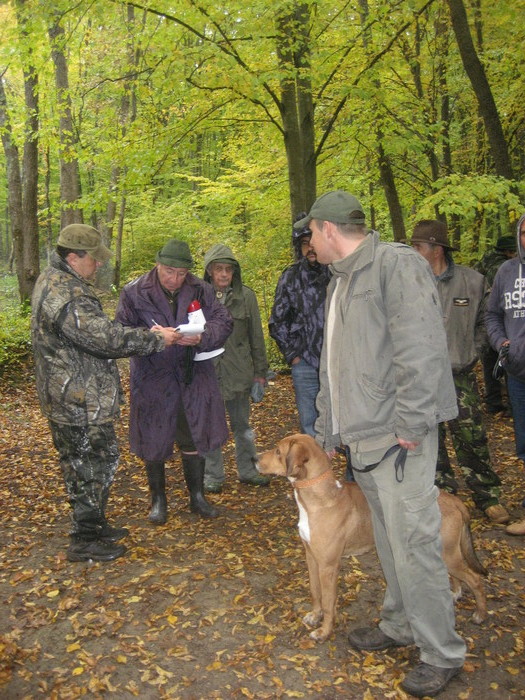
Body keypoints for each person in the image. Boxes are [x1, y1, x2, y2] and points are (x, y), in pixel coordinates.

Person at [297, 190, 466, 698]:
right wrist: (327, 431)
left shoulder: (395, 265)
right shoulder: (341, 283)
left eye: (310, 232)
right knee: (391, 541)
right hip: (364, 442)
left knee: (415, 544)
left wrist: (411, 427)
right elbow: (334, 367)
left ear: (328, 229)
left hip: (399, 443)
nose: (308, 242)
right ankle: (398, 624)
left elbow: (421, 349)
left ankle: (442, 652)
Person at [31, 224, 178, 563]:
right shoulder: (67, 294)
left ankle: (94, 525)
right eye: (93, 259)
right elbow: (104, 339)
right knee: (89, 465)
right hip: (77, 401)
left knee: (93, 462)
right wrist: (157, 339)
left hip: (74, 396)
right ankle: (84, 539)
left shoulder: (58, 281)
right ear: (72, 257)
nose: (98, 265)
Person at [115, 239, 233, 523]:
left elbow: (223, 320)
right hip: (153, 378)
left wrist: (203, 337)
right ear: (157, 264)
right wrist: (154, 338)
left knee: (193, 435)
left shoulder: (201, 289)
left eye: (181, 273)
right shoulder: (133, 292)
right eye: (169, 271)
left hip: (193, 376)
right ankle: (158, 501)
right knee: (153, 440)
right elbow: (120, 332)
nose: (175, 279)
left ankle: (197, 497)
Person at [411, 220, 509, 525]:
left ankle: (487, 496)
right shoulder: (408, 282)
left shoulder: (473, 281)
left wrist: (475, 348)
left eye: (417, 247)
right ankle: (442, 494)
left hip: (460, 375)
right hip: (422, 378)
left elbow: (489, 318)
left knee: (471, 436)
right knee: (431, 439)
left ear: (436, 249)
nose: (413, 252)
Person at [202, 244, 270, 492]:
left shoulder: (246, 297)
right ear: (209, 271)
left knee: (242, 426)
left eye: (228, 270)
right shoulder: (198, 298)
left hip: (239, 373)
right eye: (218, 269)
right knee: (210, 426)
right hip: (208, 373)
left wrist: (260, 374)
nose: (223, 274)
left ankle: (249, 470)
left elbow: (256, 338)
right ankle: (213, 476)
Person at [268, 214, 331, 436]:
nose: (310, 248)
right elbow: (277, 321)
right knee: (309, 423)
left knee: (345, 422)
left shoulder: (338, 273)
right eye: (305, 244)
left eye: (313, 241)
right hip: (304, 363)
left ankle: (353, 471)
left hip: (338, 361)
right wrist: (293, 354)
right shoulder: (291, 276)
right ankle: (315, 470)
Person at [486, 213, 525, 536]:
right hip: (517, 373)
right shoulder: (506, 272)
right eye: (523, 233)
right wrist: (501, 342)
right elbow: (492, 314)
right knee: (524, 445)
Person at [474, 235, 516, 414]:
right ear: (508, 251)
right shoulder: (505, 268)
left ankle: (493, 403)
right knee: (507, 360)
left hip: (483, 318)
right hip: (499, 319)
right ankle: (512, 405)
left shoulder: (482, 263)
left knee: (490, 362)